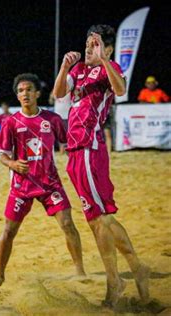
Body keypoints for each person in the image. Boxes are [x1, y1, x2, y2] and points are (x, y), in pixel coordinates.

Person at [52, 24, 150, 307]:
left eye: (94, 44)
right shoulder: (79, 70)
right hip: (75, 152)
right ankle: (113, 281)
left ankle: (134, 268)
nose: (88, 49)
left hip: (89, 149)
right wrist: (63, 67)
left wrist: (105, 60)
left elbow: (121, 89)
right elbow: (60, 93)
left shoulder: (109, 67)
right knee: (95, 221)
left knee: (103, 217)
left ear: (107, 49)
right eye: (87, 44)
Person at [0, 73, 85, 286]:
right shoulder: (11, 122)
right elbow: (2, 155)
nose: (25, 93)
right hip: (21, 186)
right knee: (8, 231)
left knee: (68, 224)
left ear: (37, 93)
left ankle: (80, 271)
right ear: (17, 96)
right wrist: (13, 164)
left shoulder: (51, 119)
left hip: (49, 183)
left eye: (29, 90)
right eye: (21, 91)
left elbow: (69, 141)